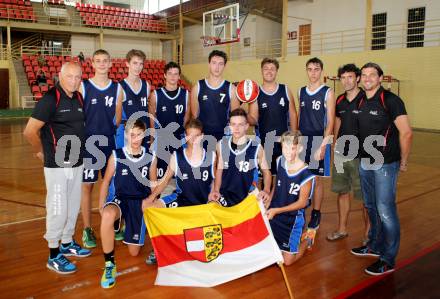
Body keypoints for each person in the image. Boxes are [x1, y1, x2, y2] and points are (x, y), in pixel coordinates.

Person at [23, 62, 91, 274]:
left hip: (76, 161)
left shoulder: (78, 97)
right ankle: (53, 255)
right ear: (60, 76)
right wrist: (40, 152)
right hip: (57, 164)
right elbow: (29, 131)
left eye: (77, 77)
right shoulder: (51, 99)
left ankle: (67, 242)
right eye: (69, 76)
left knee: (72, 206)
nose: (74, 80)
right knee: (58, 207)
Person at [351, 62, 412, 276]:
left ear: (380, 78)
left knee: (385, 209)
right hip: (366, 161)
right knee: (370, 205)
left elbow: (406, 133)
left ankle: (388, 259)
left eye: (372, 75)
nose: (367, 78)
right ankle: (374, 245)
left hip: (386, 163)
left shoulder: (391, 101)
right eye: (364, 75)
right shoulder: (360, 100)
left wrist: (403, 161)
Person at [99, 119, 155, 288]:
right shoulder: (116, 155)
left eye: (139, 135)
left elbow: (153, 186)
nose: (135, 138)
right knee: (108, 215)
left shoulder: (151, 158)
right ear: (126, 135)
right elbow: (106, 181)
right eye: (132, 135)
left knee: (134, 253)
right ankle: (109, 264)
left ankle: (128, 226)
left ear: (144, 135)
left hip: (138, 203)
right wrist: (101, 205)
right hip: (120, 200)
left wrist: (150, 204)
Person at [79, 49, 124, 248]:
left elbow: (117, 118)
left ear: (111, 63)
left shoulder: (117, 88)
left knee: (112, 186)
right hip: (89, 144)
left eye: (105, 61)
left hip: (109, 143)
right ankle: (87, 229)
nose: (102, 64)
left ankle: (114, 223)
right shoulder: (84, 86)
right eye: (98, 61)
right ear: (92, 63)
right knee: (87, 186)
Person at [327, 64, 370, 243]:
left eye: (350, 77)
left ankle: (369, 235)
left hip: (362, 155)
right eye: (343, 78)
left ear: (358, 78)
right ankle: (342, 229)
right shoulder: (339, 101)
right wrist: (334, 144)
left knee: (366, 197)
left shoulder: (367, 98)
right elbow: (337, 122)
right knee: (342, 192)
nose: (346, 81)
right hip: (341, 154)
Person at [265, 131, 315, 265]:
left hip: (292, 220)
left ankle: (308, 238)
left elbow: (302, 203)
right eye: (285, 148)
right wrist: (269, 199)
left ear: (299, 148)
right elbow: (277, 183)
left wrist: (277, 210)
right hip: (275, 214)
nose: (288, 152)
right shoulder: (280, 160)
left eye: (292, 148)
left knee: (287, 262)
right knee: (271, 254)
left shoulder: (306, 174)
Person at [298, 57, 335, 235]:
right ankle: (300, 210)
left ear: (321, 71)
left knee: (317, 180)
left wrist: (323, 147)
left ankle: (316, 213)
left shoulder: (327, 92)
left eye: (316, 69)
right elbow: (299, 116)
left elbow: (331, 122)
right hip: (303, 141)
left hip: (319, 140)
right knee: (302, 177)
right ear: (306, 71)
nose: (313, 73)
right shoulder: (301, 91)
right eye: (310, 69)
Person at [144, 119, 215, 209]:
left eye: (196, 136)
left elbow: (216, 183)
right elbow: (165, 181)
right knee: (151, 208)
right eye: (190, 136)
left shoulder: (211, 156)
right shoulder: (177, 156)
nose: (193, 140)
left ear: (202, 136)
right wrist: (151, 198)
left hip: (205, 202)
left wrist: (214, 198)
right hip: (181, 200)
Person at [208, 108, 271, 207]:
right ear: (229, 126)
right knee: (212, 210)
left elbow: (267, 173)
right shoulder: (221, 144)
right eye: (233, 124)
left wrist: (266, 190)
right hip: (225, 194)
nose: (236, 128)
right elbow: (219, 170)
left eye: (240, 125)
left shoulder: (256, 147)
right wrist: (215, 190)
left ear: (246, 126)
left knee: (263, 215)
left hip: (247, 196)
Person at [248, 57, 298, 178]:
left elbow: (293, 114)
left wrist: (294, 137)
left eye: (272, 69)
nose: (269, 71)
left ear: (276, 71)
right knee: (267, 177)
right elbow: (253, 120)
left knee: (285, 177)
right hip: (265, 143)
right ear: (261, 71)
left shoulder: (285, 90)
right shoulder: (256, 93)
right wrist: (243, 114)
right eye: (266, 68)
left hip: (284, 142)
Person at [149, 61, 190, 180]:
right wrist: (152, 140)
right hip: (161, 140)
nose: (173, 76)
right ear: (165, 75)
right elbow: (152, 119)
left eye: (176, 74)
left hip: (179, 139)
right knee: (160, 175)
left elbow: (187, 117)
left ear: (179, 76)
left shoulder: (185, 94)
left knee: (179, 174)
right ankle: (159, 197)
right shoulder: (155, 95)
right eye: (170, 73)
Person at [190, 50, 240, 144]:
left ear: (224, 66)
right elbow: (195, 116)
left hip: (224, 137)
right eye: (214, 63)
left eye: (220, 64)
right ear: (209, 64)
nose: (217, 67)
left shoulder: (231, 89)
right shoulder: (197, 87)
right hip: (203, 136)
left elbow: (236, 118)